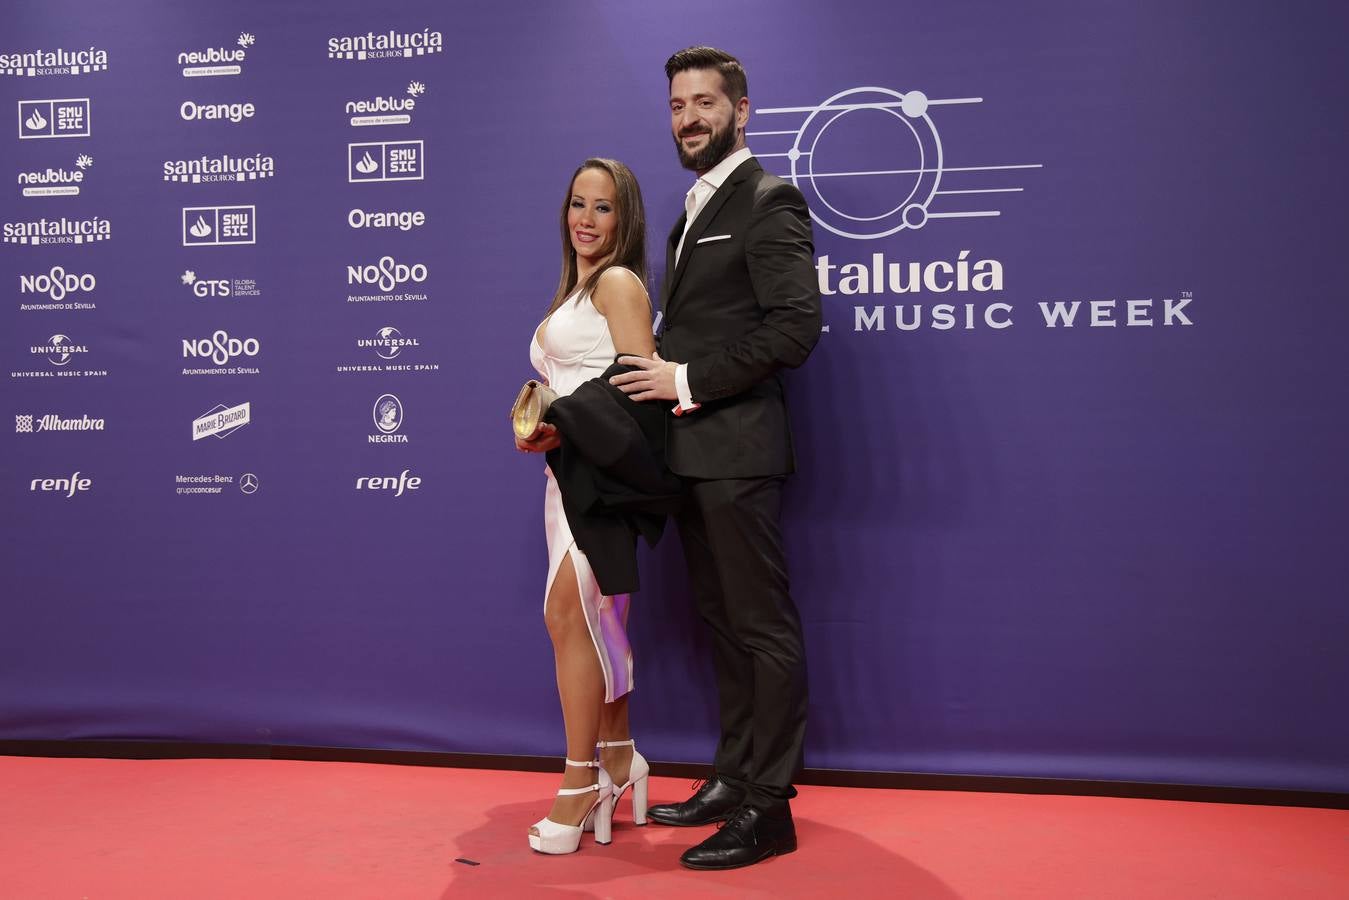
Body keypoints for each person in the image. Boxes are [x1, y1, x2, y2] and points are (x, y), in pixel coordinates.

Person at [610, 46, 822, 870]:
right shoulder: (693, 206)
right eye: (676, 105)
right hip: (694, 457)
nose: (688, 117)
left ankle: (770, 807)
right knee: (724, 628)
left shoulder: (768, 200)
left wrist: (683, 377)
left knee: (761, 629)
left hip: (738, 452)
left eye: (704, 102)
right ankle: (733, 780)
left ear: (742, 111)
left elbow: (791, 330)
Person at [517, 158, 657, 855]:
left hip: (600, 478)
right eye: (578, 203)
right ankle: (621, 755)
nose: (586, 219)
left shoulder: (619, 283)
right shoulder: (573, 291)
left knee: (570, 617)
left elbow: (639, 385)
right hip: (565, 475)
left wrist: (566, 423)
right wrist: (547, 426)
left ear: (624, 218)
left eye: (603, 208)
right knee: (590, 620)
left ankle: (581, 784)